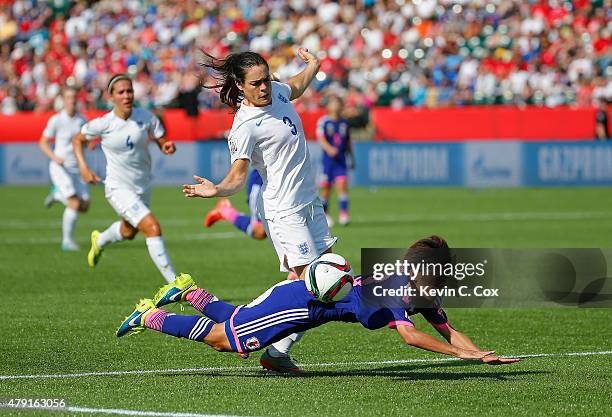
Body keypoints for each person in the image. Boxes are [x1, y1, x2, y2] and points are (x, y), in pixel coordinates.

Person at [116, 236, 520, 368]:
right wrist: (459, 357)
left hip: (314, 308)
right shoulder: (396, 286)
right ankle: (150, 315)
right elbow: (411, 338)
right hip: (301, 303)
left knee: (238, 322)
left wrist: (479, 354)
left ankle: (188, 290)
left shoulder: (422, 292)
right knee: (228, 342)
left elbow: (448, 329)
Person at [183, 48, 335, 372]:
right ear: (240, 85)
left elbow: (295, 85)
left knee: (322, 284)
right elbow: (238, 177)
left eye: (266, 79)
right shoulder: (244, 126)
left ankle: (276, 353)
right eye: (256, 83)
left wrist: (315, 65)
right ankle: (242, 323)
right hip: (284, 210)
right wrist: (217, 190)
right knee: (318, 285)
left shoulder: (277, 92)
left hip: (310, 203)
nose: (264, 87)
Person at [72, 74, 178, 283]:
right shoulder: (104, 124)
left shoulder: (146, 117)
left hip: (143, 185)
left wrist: (166, 145)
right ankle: (176, 284)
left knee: (129, 231)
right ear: (111, 97)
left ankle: (100, 240)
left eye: (129, 91)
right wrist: (83, 168)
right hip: (117, 187)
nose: (126, 96)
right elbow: (78, 139)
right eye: (121, 92)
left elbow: (161, 139)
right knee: (152, 227)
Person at [39, 87, 89, 251]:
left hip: (76, 168)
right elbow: (43, 142)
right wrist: (54, 157)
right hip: (60, 167)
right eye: (68, 97)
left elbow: (85, 141)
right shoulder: (56, 120)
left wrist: (91, 144)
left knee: (85, 205)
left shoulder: (82, 120)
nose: (72, 100)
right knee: (74, 202)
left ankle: (58, 195)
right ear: (64, 100)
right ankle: (67, 241)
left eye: (74, 97)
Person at [317, 94, 354, 226]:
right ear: (328, 106)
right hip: (328, 161)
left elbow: (348, 142)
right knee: (326, 189)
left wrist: (352, 158)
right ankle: (325, 214)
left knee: (342, 185)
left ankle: (344, 214)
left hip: (341, 160)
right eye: (333, 103)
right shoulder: (324, 121)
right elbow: (321, 138)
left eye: (338, 103)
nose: (336, 106)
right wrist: (329, 149)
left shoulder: (344, 123)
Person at [204, 170, 267, 240]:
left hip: (277, 184)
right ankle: (225, 210)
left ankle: (225, 210)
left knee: (263, 230)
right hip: (261, 182)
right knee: (259, 231)